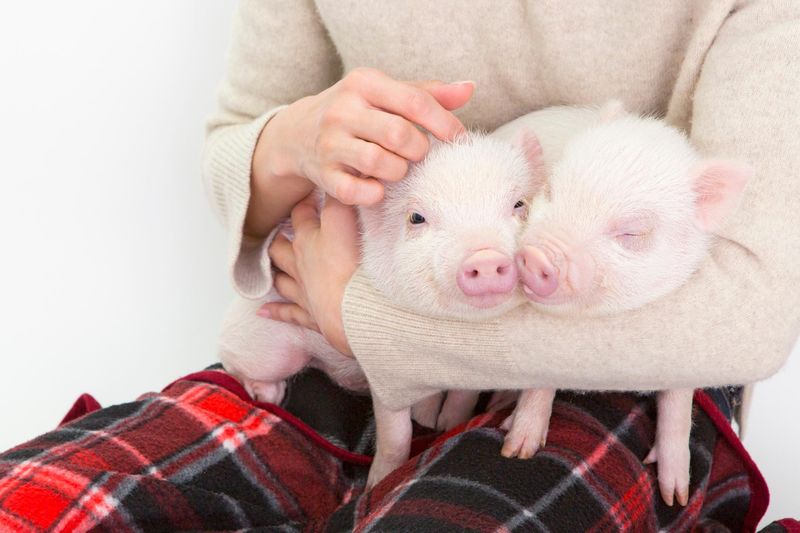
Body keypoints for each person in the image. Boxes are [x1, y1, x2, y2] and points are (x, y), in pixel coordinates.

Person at [0, 1, 797, 531]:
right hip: (348, 331)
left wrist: (366, 319)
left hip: (616, 367)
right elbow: (238, 136)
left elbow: (755, 305)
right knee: (41, 506)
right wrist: (289, 139)